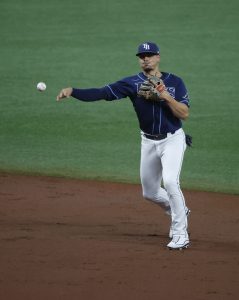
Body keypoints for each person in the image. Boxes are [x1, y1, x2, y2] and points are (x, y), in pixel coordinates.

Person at [57, 42, 190, 250]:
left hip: (172, 139)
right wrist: (73, 91)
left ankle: (181, 233)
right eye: (141, 56)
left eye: (149, 55)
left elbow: (184, 114)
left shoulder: (175, 82)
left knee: (171, 182)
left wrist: (164, 96)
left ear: (158, 57)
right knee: (150, 192)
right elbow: (101, 93)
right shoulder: (131, 83)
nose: (145, 58)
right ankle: (178, 207)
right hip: (148, 140)